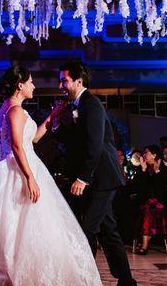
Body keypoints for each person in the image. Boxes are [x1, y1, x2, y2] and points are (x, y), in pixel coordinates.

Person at [0, 65, 101, 285]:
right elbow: (16, 146)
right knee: (20, 227)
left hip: (15, 166)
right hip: (17, 171)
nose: (34, 86)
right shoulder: (14, 110)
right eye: (31, 82)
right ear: (20, 85)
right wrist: (30, 177)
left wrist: (52, 116)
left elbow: (32, 140)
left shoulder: (11, 108)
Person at [55, 60, 136, 286]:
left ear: (79, 81)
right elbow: (76, 142)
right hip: (99, 179)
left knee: (86, 230)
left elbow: (94, 144)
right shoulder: (80, 106)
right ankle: (127, 281)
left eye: (65, 81)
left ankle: (83, 281)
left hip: (103, 177)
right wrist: (55, 125)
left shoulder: (91, 104)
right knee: (108, 231)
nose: (61, 85)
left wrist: (83, 178)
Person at [131, 144, 167, 255]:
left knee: (149, 210)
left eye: (146, 153)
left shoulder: (164, 169)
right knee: (147, 209)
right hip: (144, 202)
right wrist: (144, 170)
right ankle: (145, 241)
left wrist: (157, 172)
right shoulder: (142, 168)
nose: (144, 155)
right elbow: (137, 186)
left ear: (154, 155)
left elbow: (164, 186)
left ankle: (144, 244)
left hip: (160, 203)